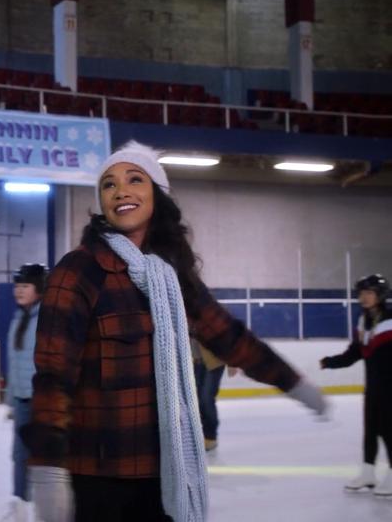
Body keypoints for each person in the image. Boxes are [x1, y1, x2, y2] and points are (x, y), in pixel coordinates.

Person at [21, 141, 328, 522]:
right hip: (98, 474)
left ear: (157, 195)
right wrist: (49, 468)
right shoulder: (79, 271)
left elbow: (230, 338)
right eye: (108, 185)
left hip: (165, 472)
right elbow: (54, 374)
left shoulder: (173, 277)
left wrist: (294, 384)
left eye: (135, 179)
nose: (121, 191)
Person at [320, 273, 392, 497]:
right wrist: (330, 362)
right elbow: (355, 353)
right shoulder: (364, 321)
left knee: (389, 431)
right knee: (370, 430)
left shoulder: (390, 320)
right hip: (373, 387)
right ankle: (368, 472)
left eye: (369, 292)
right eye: (361, 293)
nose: (364, 297)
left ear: (380, 295)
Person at [4, 263, 48, 521]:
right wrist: (11, 400)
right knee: (19, 454)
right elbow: (14, 359)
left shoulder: (46, 319)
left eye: (25, 286)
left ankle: (47, 507)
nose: (18, 291)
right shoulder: (19, 317)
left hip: (43, 400)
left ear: (40, 289)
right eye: (17, 286)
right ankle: (20, 504)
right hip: (22, 398)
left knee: (44, 456)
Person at [191, 336, 226, 452]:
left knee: (206, 398)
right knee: (198, 400)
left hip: (214, 361)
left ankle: (211, 437)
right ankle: (202, 434)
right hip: (197, 362)